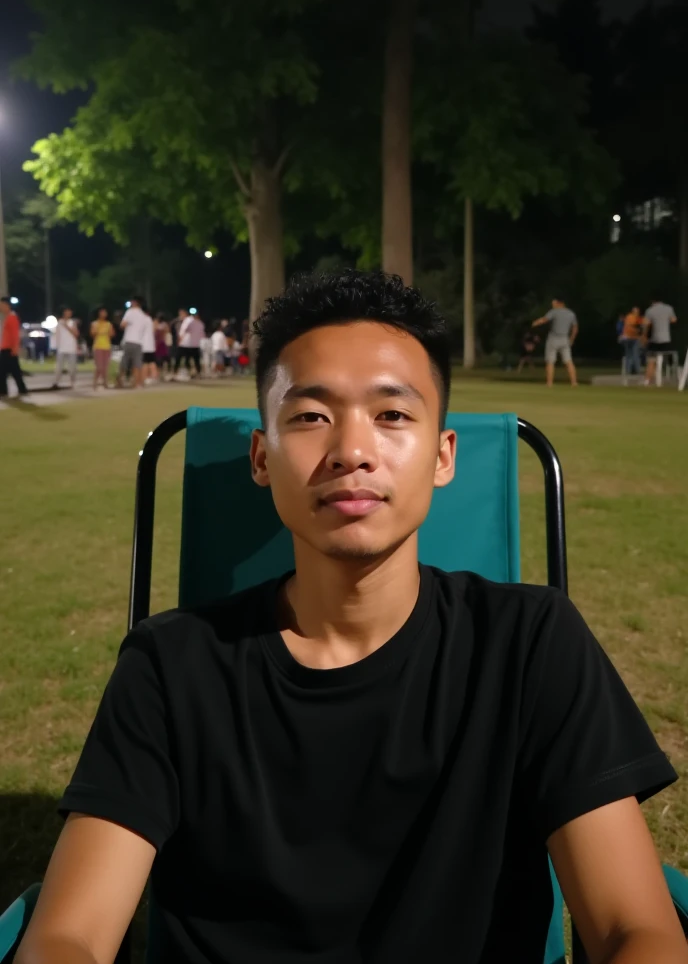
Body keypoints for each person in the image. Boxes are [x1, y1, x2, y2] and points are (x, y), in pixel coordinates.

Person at [17, 270, 687, 964]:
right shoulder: (172, 665)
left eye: (393, 415)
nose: (352, 451)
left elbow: (632, 928)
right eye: (310, 416)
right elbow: (71, 936)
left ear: (442, 456)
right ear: (260, 457)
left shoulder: (529, 644)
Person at [532, 298, 578, 387]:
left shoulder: (554, 312)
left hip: (554, 338)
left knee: (550, 361)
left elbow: (545, 319)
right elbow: (575, 328)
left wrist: (535, 323)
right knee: (568, 361)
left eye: (554, 303)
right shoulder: (571, 313)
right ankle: (574, 382)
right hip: (565, 339)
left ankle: (549, 383)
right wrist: (571, 339)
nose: (552, 305)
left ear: (558, 303)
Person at [643, 298, 678, 386]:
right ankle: (675, 377)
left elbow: (646, 324)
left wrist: (644, 336)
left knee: (651, 360)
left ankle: (647, 381)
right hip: (666, 340)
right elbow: (674, 320)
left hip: (655, 340)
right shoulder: (669, 308)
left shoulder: (650, 310)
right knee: (670, 357)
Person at [0, 296, 28, 398]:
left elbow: (15, 334)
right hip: (6, 348)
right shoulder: (9, 317)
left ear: (7, 306)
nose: (1, 308)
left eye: (2, 305)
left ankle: (3, 391)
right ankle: (21, 390)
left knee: (3, 372)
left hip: (8, 349)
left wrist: (15, 347)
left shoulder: (12, 317)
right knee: (14, 371)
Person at [116, 296, 147, 389]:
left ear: (135, 302)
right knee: (137, 364)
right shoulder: (143, 315)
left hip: (129, 340)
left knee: (124, 363)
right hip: (139, 342)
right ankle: (136, 384)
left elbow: (123, 325)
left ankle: (119, 382)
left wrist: (119, 321)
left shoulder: (130, 312)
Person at [51, 307, 80, 390]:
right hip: (61, 348)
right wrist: (55, 346)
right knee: (59, 367)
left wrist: (67, 326)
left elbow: (76, 334)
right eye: (67, 312)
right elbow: (57, 335)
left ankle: (72, 383)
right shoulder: (60, 322)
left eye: (70, 312)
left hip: (71, 348)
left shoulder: (72, 322)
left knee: (72, 367)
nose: (68, 314)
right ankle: (56, 382)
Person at [174, 308, 204, 379]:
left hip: (186, 343)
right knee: (196, 360)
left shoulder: (188, 320)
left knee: (179, 358)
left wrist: (179, 340)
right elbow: (202, 334)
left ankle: (175, 373)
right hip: (195, 344)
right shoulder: (200, 323)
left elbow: (183, 331)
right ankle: (198, 373)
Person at [90, 308, 115, 390]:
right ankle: (95, 383)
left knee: (105, 367)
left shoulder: (108, 324)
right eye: (102, 312)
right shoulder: (95, 323)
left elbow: (112, 334)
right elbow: (92, 334)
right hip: (98, 346)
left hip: (107, 346)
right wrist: (98, 331)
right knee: (99, 367)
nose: (104, 314)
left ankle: (105, 383)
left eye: (105, 312)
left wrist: (108, 332)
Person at [620, 306, 643, 377]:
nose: (636, 313)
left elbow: (641, 327)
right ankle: (630, 370)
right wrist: (637, 331)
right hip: (629, 338)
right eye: (635, 311)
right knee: (630, 354)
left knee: (633, 354)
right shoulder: (630, 317)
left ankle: (635, 370)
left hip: (634, 338)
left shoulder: (638, 318)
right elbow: (629, 327)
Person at [141, 307, 158, 385]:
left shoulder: (143, 319)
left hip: (144, 345)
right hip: (151, 345)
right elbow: (154, 330)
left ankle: (145, 378)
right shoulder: (151, 320)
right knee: (152, 362)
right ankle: (154, 377)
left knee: (145, 363)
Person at [154, 313, 172, 380]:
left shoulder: (164, 325)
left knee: (163, 358)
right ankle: (159, 373)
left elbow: (166, 333)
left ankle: (163, 373)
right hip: (159, 343)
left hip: (161, 343)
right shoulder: (157, 324)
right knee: (159, 359)